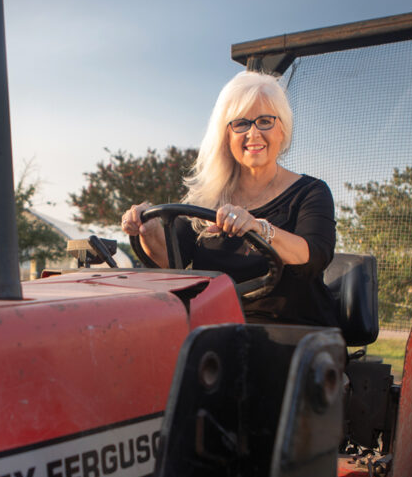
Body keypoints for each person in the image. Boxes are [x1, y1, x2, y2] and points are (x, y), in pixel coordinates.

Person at [120, 70, 337, 326]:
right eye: (241, 123)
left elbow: (313, 256)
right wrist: (149, 230)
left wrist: (259, 228)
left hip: (292, 332)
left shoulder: (310, 192)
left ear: (282, 129)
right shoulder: (207, 198)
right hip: (215, 326)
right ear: (227, 135)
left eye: (265, 121)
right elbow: (169, 261)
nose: (253, 134)